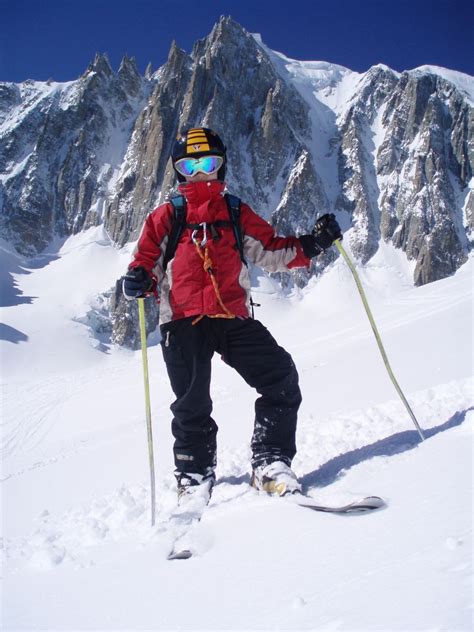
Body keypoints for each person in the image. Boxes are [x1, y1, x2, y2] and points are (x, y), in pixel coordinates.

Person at [122, 127, 342, 506]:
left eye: (208, 163)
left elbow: (271, 250)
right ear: (178, 171)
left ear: (221, 167)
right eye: (189, 166)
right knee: (191, 404)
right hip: (182, 319)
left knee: (281, 377)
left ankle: (270, 461)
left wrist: (313, 244)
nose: (200, 173)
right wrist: (137, 280)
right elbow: (145, 263)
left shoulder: (236, 213)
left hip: (232, 316)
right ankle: (194, 477)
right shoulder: (167, 217)